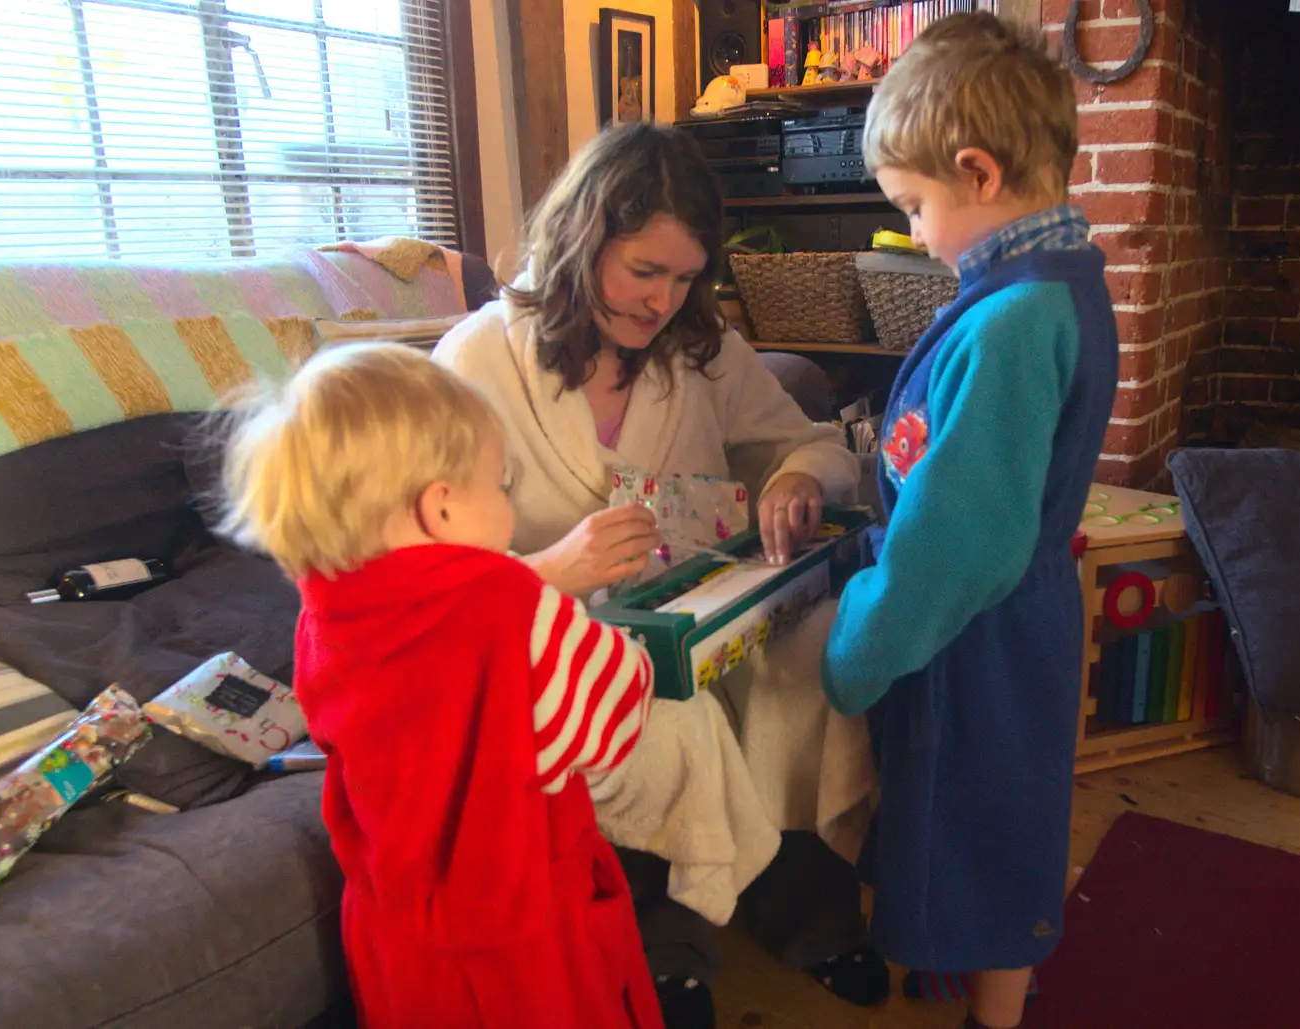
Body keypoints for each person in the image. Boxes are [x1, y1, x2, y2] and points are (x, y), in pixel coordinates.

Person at [433, 123, 887, 1029]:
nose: (662, 302)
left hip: (712, 610)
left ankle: (808, 909)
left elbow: (805, 439)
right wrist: (551, 571)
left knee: (815, 659)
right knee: (651, 720)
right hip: (560, 634)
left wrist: (798, 474)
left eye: (685, 278)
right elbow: (425, 569)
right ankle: (670, 952)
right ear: (582, 238)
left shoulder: (699, 347)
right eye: (644, 272)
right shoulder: (475, 359)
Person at [218, 343, 662, 1029]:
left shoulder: (322, 615)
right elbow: (614, 713)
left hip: (398, 931)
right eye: (500, 484)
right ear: (442, 509)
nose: (508, 504)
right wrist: (632, 648)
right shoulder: (507, 602)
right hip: (522, 936)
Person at [822, 13, 1120, 1029]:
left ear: (979, 173)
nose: (910, 232)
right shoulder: (1057, 281)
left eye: (912, 205)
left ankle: (995, 1016)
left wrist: (859, 645)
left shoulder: (1011, 321)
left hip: (974, 628)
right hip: (1010, 614)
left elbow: (958, 544)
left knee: (985, 827)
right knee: (1006, 814)